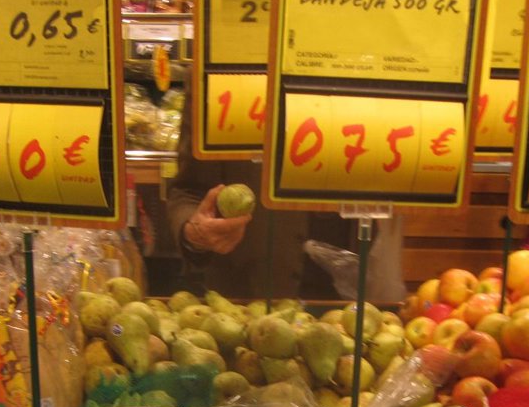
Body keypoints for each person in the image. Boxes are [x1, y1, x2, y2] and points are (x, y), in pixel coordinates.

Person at [167, 98, 406, 302]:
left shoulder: (365, 64)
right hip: (248, 297)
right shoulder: (221, 70)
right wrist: (195, 232)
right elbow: (187, 190)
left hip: (347, 296)